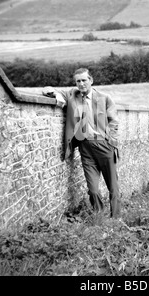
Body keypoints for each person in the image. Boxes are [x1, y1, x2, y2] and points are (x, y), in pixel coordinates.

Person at [43, 68, 121, 219]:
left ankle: (116, 218)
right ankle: (99, 216)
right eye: (78, 81)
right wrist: (50, 91)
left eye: (84, 80)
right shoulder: (73, 95)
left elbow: (114, 122)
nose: (81, 84)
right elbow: (51, 91)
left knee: (113, 187)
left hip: (104, 146)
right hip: (85, 147)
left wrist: (110, 141)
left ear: (91, 80)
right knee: (93, 189)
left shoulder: (104, 98)